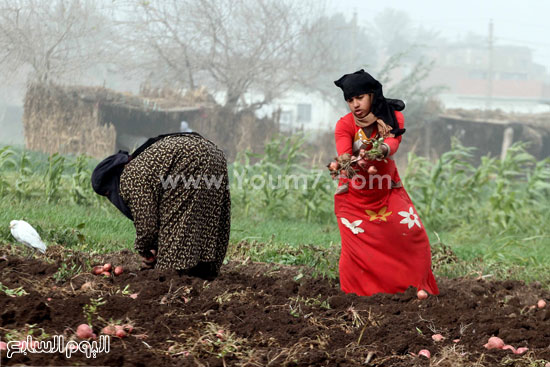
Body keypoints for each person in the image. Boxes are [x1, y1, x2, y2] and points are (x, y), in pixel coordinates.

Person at [330, 69, 439, 296]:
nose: (355, 104)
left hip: (386, 191)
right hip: (354, 196)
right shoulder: (345, 124)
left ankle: (413, 287)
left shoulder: (391, 117)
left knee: (412, 234)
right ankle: (357, 295)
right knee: (356, 250)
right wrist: (344, 159)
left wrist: (381, 149)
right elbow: (343, 147)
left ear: (371, 95)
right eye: (350, 100)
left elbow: (393, 141)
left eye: (360, 98)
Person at [91, 132, 230, 280]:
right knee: (208, 213)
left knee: (177, 220)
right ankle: (203, 272)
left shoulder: (129, 176)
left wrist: (145, 251)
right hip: (214, 154)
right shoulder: (141, 164)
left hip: (189, 158)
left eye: (108, 192)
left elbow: (147, 225)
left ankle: (171, 276)